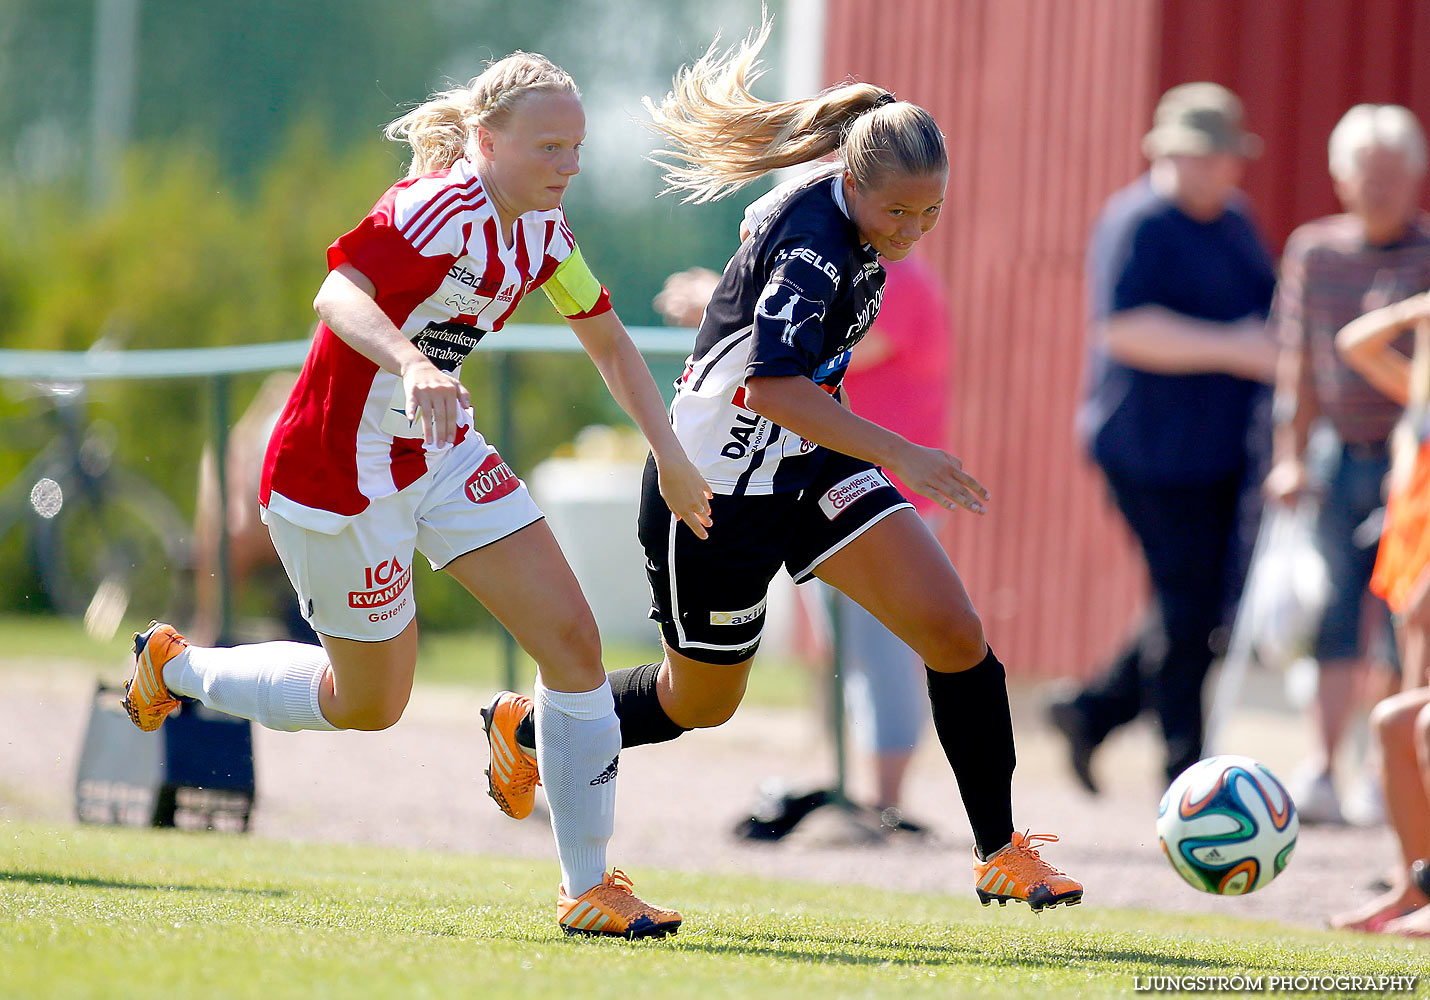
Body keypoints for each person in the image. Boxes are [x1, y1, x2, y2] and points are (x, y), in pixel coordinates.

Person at [481, 19, 1083, 912]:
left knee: (957, 636)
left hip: (810, 471)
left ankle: (1001, 851)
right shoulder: (818, 246)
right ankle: (528, 726)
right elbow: (770, 389)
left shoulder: (852, 200)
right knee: (699, 704)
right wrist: (906, 453)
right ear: (851, 183)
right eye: (898, 213)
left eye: (932, 213)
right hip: (713, 492)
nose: (913, 231)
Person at [120, 51, 715, 940]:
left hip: (435, 451)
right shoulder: (434, 209)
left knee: (573, 642)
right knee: (370, 704)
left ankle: (586, 887)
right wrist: (410, 362)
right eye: (550, 146)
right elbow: (336, 292)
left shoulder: (546, 233)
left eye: (577, 147)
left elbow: (610, 344)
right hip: (336, 471)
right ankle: (177, 666)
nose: (569, 165)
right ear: (485, 139)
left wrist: (667, 452)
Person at [1048, 82, 1278, 793]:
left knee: (1198, 605)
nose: (1211, 171)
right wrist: (1236, 349)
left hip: (1219, 448)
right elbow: (1124, 329)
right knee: (1186, 605)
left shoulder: (1235, 223)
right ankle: (1186, 768)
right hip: (1146, 448)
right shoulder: (1139, 222)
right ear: (1167, 154)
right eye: (1197, 157)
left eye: (1222, 158)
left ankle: (1094, 709)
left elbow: (1271, 316)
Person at [1263, 104, 1430, 825]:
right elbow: (1296, 365)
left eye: (1395, 174)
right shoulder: (1314, 250)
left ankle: (1379, 769)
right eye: (1369, 173)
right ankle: (1323, 766)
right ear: (1342, 178)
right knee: (1334, 608)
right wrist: (1290, 458)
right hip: (1337, 449)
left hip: (1414, 456)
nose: (1382, 187)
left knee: (1400, 611)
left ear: (1416, 177)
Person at [1330, 291, 1430, 936]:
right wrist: (1416, 310)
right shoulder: (1418, 399)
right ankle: (1413, 887)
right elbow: (1352, 343)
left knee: (1420, 724)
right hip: (1412, 560)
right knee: (1399, 718)